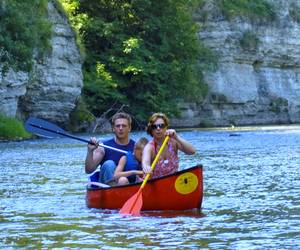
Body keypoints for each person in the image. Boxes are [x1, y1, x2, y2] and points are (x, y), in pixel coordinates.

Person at [85, 112, 135, 185]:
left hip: (127, 184)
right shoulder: (103, 147)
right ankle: (113, 190)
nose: (120, 128)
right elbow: (89, 170)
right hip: (106, 187)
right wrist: (90, 151)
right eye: (118, 126)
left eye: (124, 126)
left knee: (123, 180)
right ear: (113, 128)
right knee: (109, 164)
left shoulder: (136, 147)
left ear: (129, 128)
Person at [142, 113, 196, 179]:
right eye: (154, 126)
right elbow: (145, 163)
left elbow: (192, 151)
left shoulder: (173, 141)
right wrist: (146, 167)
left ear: (166, 127)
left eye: (161, 125)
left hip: (175, 182)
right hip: (157, 185)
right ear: (151, 130)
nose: (158, 129)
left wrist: (177, 137)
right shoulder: (149, 147)